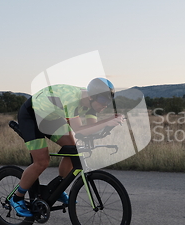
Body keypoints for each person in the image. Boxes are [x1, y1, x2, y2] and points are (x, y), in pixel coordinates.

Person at [9, 77, 124, 217]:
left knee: (72, 150)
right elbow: (80, 130)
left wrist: (106, 127)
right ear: (92, 97)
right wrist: (107, 121)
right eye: (103, 100)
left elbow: (90, 128)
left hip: (50, 117)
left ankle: (57, 189)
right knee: (42, 162)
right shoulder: (72, 99)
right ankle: (17, 198)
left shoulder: (91, 105)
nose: (105, 105)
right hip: (31, 115)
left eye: (108, 101)